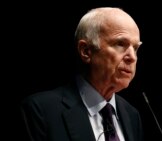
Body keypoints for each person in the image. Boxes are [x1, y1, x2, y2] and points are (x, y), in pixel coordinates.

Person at [21, 7, 143, 141]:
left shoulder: (132, 115)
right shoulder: (40, 111)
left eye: (135, 48)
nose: (132, 57)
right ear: (86, 51)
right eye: (120, 44)